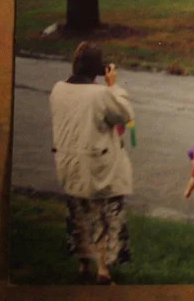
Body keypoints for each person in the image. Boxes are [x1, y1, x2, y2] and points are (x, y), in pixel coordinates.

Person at [49, 42, 134, 285]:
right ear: (99, 68)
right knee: (104, 218)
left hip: (69, 162)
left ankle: (83, 265)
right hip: (98, 165)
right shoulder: (101, 94)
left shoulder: (58, 90)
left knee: (79, 214)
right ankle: (103, 271)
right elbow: (124, 114)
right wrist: (113, 86)